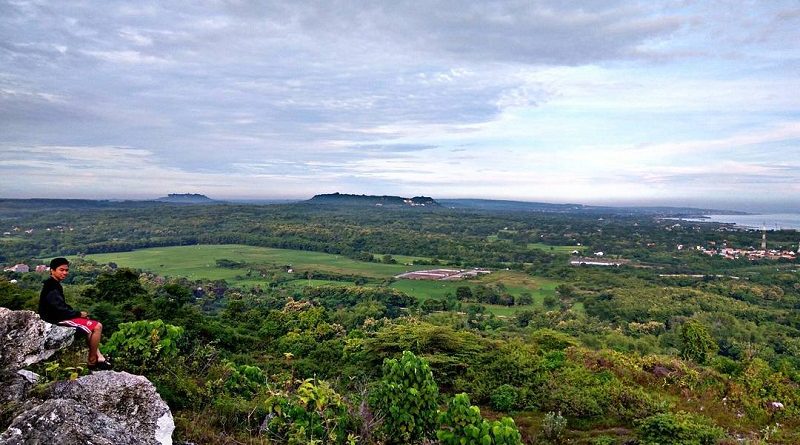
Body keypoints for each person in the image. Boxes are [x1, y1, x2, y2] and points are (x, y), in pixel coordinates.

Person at [39, 257, 112, 371]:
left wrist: (78, 315)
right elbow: (59, 308)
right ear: (52, 270)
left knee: (89, 326)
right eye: (61, 270)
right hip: (55, 320)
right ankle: (92, 361)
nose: (65, 273)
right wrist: (77, 314)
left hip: (57, 317)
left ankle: (99, 357)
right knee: (97, 326)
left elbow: (60, 306)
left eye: (66, 270)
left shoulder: (53, 284)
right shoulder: (51, 286)